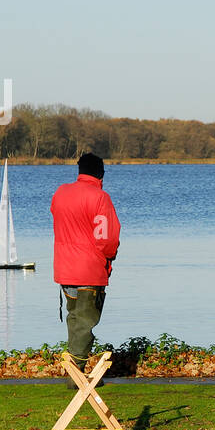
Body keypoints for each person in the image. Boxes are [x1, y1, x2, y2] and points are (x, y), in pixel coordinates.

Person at [51, 154, 121, 380]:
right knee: (84, 322)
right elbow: (107, 239)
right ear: (100, 173)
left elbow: (57, 216)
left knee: (74, 320)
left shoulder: (61, 192)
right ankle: (77, 378)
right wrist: (110, 256)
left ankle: (75, 371)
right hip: (89, 270)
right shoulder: (100, 197)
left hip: (65, 269)